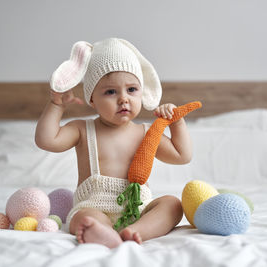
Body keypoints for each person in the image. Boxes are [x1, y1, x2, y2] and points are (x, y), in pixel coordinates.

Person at [35, 38, 192, 248]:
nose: (123, 99)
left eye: (132, 90)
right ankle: (102, 231)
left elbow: (182, 156)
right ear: (92, 99)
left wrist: (176, 122)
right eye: (111, 92)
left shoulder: (146, 132)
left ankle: (137, 230)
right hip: (95, 207)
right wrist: (56, 106)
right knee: (83, 218)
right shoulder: (82, 129)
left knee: (172, 204)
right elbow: (46, 140)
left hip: (138, 208)